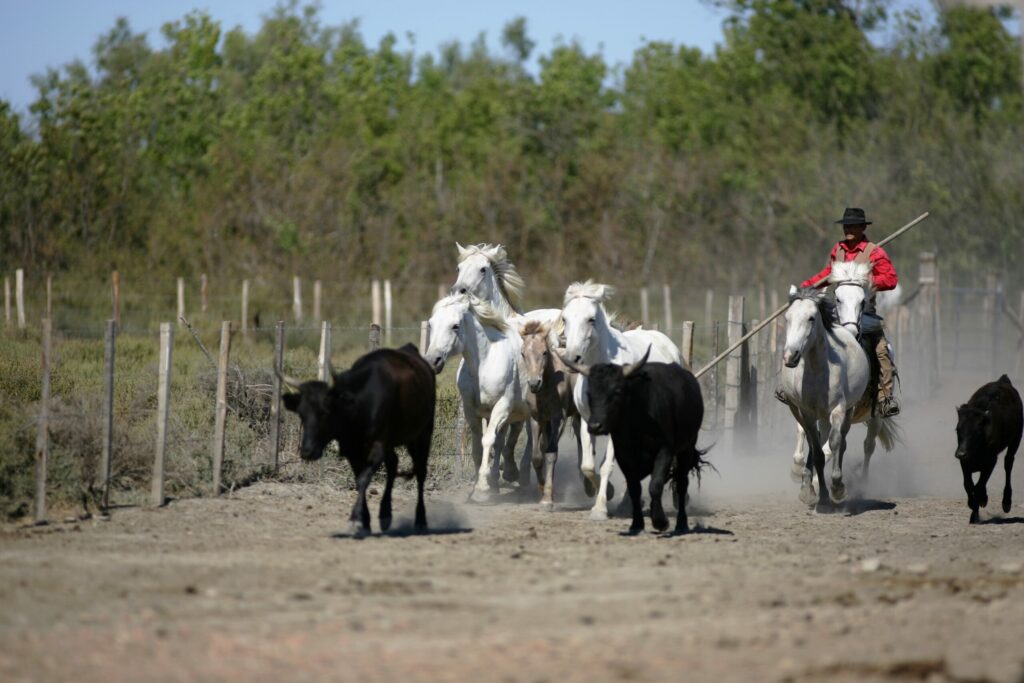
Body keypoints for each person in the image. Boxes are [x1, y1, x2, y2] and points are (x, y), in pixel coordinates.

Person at [801, 207, 900, 417]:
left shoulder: (875, 251)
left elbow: (891, 279)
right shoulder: (838, 250)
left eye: (854, 225)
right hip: (837, 312)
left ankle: (885, 397)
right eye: (846, 225)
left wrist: (867, 280)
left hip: (865, 313)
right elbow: (828, 274)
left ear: (863, 227)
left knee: (882, 349)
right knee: (807, 333)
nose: (849, 229)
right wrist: (807, 288)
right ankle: (794, 387)